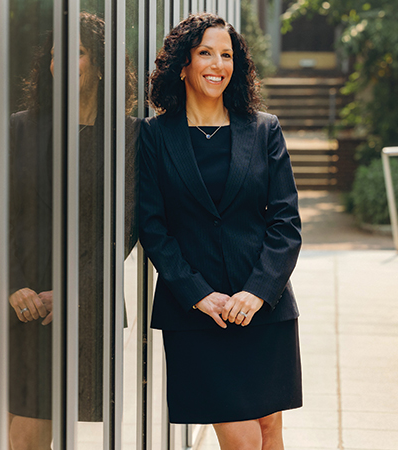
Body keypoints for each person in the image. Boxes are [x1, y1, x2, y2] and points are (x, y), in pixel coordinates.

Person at [0, 12, 139, 450]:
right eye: (54, 54)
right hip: (16, 301)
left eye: (76, 53)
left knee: (29, 431)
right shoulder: (18, 127)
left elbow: (125, 228)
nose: (60, 62)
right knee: (17, 429)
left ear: (100, 64)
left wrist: (69, 293)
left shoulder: (128, 137)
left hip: (80, 301)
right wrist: (13, 286)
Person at [139, 13, 302, 450]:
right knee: (244, 438)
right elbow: (153, 228)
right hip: (196, 314)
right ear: (183, 64)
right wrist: (196, 293)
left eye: (226, 54)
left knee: (269, 430)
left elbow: (285, 222)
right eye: (205, 53)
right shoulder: (155, 136)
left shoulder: (264, 129)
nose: (217, 64)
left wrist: (257, 291)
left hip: (263, 309)